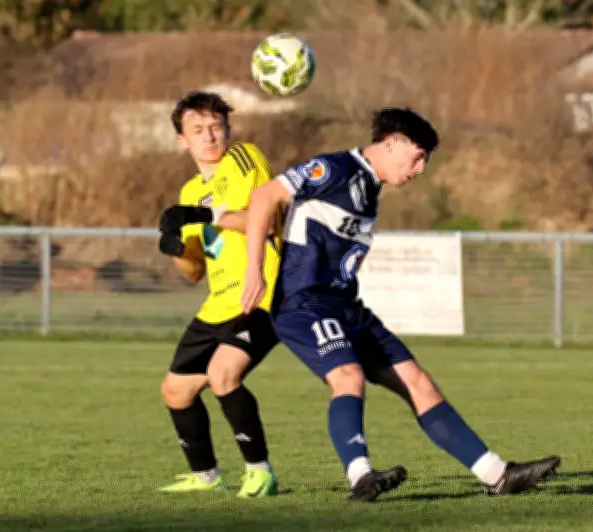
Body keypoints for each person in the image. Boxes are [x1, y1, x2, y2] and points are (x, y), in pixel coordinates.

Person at [240, 107, 561, 502]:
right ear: (391, 144)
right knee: (347, 376)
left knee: (418, 382)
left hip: (346, 306)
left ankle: (497, 475)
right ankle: (360, 476)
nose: (420, 168)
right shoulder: (334, 168)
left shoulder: (371, 186)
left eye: (425, 159)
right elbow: (264, 196)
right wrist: (254, 268)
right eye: (417, 156)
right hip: (305, 304)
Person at [156, 91, 282, 498]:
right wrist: (174, 247)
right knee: (175, 391)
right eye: (198, 130)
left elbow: (270, 218)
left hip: (261, 293)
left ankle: (260, 471)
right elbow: (194, 271)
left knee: (223, 375)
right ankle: (206, 477)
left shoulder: (242, 158)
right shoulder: (190, 191)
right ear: (182, 140)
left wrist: (207, 215)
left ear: (228, 129)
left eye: (215, 126)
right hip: (217, 303)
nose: (209, 136)